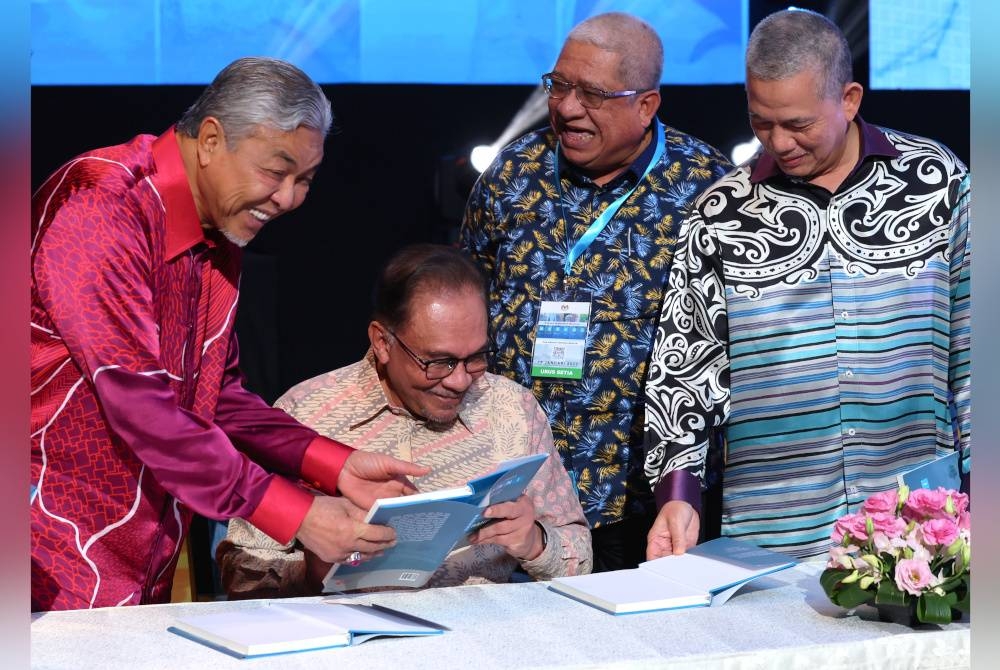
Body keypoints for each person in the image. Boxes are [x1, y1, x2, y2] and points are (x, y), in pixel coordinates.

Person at [30, 57, 428, 611]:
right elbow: (142, 407)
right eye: (276, 171)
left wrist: (334, 465)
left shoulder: (214, 231)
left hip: (140, 550)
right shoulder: (102, 207)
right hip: (49, 554)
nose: (289, 199)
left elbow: (215, 398)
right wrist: (298, 514)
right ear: (212, 140)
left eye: (306, 180)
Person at [643, 8, 971, 560]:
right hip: (773, 533)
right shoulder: (720, 212)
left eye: (797, 125)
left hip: (920, 525)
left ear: (848, 99)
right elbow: (684, 368)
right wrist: (679, 494)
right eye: (761, 123)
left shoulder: (937, 182)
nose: (779, 142)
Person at [460, 12, 732, 571]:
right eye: (559, 85)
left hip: (640, 499)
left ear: (646, 105)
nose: (565, 108)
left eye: (592, 94)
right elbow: (468, 298)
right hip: (515, 490)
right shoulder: (514, 172)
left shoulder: (707, 186)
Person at [217, 244, 592, 597]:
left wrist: (535, 542)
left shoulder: (512, 408)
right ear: (382, 343)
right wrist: (315, 568)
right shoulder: (306, 415)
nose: (460, 380)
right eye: (438, 362)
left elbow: (581, 558)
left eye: (476, 358)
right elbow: (241, 576)